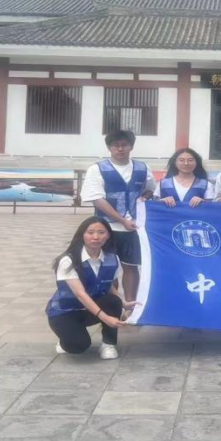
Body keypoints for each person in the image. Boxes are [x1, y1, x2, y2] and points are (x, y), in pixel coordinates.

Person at [79, 130, 156, 308]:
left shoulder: (142, 168)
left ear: (131, 147)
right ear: (109, 148)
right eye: (116, 146)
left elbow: (151, 189)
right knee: (108, 267)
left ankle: (131, 306)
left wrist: (144, 198)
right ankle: (112, 306)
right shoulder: (97, 169)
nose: (120, 149)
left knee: (131, 267)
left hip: (134, 228)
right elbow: (97, 199)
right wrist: (122, 220)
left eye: (124, 145)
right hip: (107, 228)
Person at [47, 217, 138, 359]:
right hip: (65, 311)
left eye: (101, 232)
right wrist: (105, 318)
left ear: (108, 235)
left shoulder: (112, 258)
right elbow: (80, 294)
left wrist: (123, 302)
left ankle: (108, 344)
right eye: (90, 232)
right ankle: (66, 340)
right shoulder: (68, 260)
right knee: (79, 346)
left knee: (113, 301)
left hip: (90, 309)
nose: (96, 237)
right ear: (82, 234)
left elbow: (108, 285)